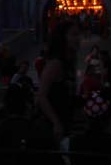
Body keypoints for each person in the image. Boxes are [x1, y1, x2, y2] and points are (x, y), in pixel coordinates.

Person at [35, 19, 81, 153]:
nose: (77, 38)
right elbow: (42, 96)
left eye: (78, 34)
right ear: (63, 38)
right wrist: (55, 122)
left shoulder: (70, 62)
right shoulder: (55, 64)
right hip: (52, 124)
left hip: (65, 119)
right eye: (73, 34)